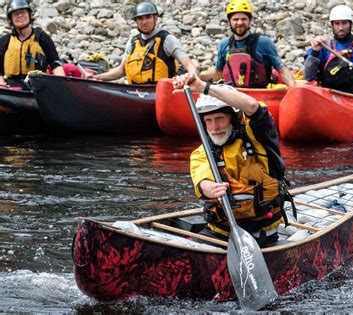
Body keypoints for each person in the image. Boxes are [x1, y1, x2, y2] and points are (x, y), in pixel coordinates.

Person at [173, 73, 294, 246]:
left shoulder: (257, 137)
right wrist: (210, 188)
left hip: (262, 231)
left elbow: (252, 105)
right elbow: (202, 180)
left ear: (233, 118)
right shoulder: (202, 152)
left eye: (220, 119)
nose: (214, 128)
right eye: (209, 121)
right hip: (221, 231)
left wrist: (202, 87)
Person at [92, 1, 197, 84]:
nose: (144, 22)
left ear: (156, 18)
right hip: (135, 92)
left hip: (162, 92)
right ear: (136, 21)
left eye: (148, 17)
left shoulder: (167, 40)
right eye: (140, 18)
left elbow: (189, 65)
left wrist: (192, 77)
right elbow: (121, 71)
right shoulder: (132, 42)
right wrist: (97, 78)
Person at [200, 0, 296, 88]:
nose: (240, 22)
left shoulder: (264, 43)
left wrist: (294, 89)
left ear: (250, 21)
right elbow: (218, 73)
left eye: (244, 19)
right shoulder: (224, 44)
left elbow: (282, 70)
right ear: (229, 22)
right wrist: (197, 78)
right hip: (233, 94)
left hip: (259, 93)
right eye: (235, 19)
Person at [303, 5, 353, 94]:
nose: (340, 28)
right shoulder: (323, 47)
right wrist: (315, 52)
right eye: (337, 23)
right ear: (332, 25)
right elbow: (308, 76)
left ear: (351, 24)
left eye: (344, 23)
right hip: (327, 96)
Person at [0, 0, 65, 90]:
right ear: (10, 19)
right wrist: (2, 85)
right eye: (15, 14)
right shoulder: (5, 41)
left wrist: (62, 86)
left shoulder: (42, 38)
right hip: (11, 87)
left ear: (29, 14)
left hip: (38, 86)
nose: (20, 16)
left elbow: (55, 64)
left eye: (23, 12)